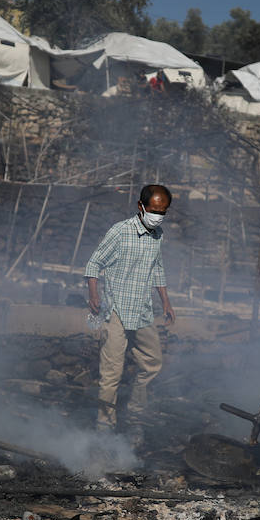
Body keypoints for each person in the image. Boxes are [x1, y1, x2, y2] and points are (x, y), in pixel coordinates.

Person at [85, 184, 176, 433]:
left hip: (143, 311)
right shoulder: (120, 231)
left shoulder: (158, 234)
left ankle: (136, 412)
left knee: (152, 363)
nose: (158, 215)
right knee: (111, 373)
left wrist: (166, 302)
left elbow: (157, 268)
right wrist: (94, 294)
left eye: (163, 211)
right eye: (154, 210)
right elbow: (94, 264)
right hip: (116, 311)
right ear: (141, 206)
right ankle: (105, 426)